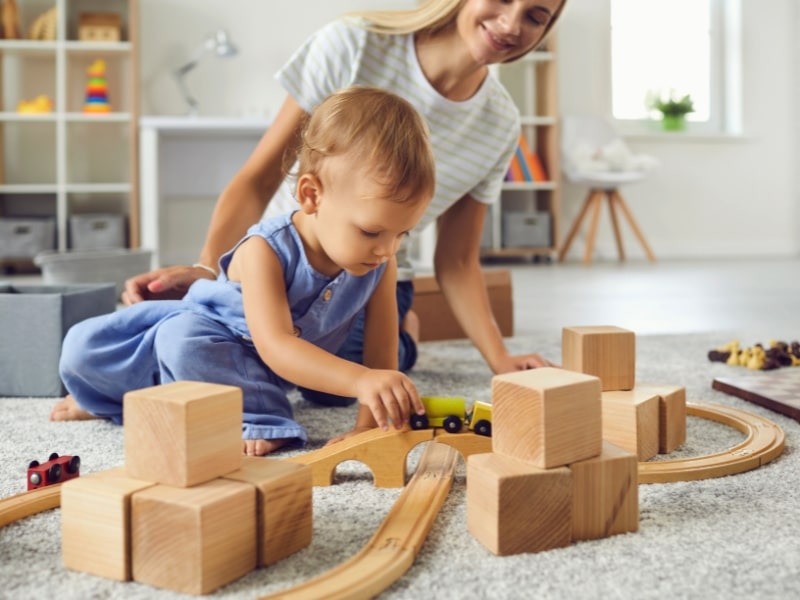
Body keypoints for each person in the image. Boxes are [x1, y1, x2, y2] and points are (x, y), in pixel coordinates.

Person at [122, 0, 566, 404]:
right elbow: (258, 180)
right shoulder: (353, 44)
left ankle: (403, 330)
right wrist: (208, 276)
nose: (511, 24)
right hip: (275, 264)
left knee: (338, 384)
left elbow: (458, 258)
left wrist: (499, 359)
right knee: (180, 339)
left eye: (535, 16)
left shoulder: (501, 122)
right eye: (504, 0)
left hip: (369, 278)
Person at [50, 86, 436, 456]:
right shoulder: (264, 249)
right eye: (371, 231)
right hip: (220, 340)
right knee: (94, 348)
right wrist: (359, 380)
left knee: (345, 383)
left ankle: (203, 403)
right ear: (311, 195)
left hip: (280, 367)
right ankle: (123, 401)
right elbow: (277, 346)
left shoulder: (379, 263)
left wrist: (368, 426)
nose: (388, 249)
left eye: (402, 233)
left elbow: (381, 351)